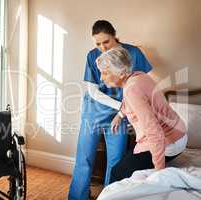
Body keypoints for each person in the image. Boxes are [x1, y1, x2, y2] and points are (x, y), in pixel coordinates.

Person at [68, 20, 153, 200]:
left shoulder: (134, 53)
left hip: (119, 115)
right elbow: (92, 91)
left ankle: (110, 196)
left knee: (115, 161)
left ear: (115, 36)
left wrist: (128, 109)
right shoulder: (92, 56)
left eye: (106, 41)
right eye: (98, 43)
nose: (103, 47)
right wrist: (122, 106)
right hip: (94, 111)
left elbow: (144, 80)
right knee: (84, 159)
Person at [96, 46, 187, 184]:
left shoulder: (131, 89)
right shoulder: (139, 76)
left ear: (120, 73)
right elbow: (131, 101)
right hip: (180, 135)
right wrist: (119, 115)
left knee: (117, 172)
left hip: (169, 142)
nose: (102, 78)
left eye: (105, 73)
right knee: (130, 154)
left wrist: (159, 171)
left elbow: (154, 130)